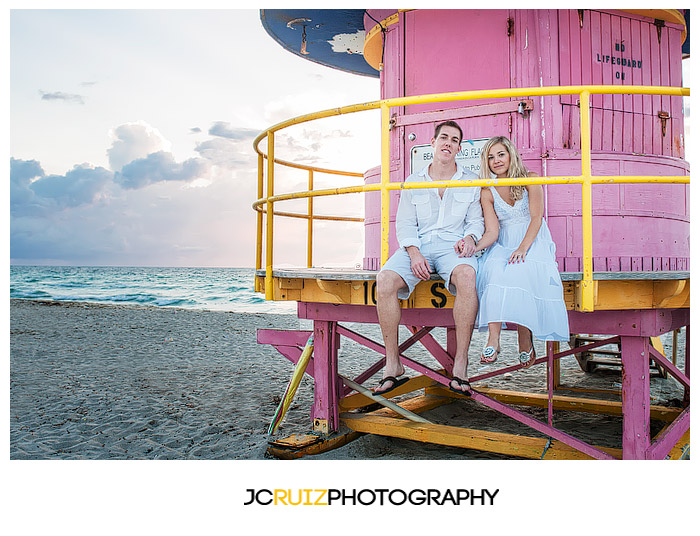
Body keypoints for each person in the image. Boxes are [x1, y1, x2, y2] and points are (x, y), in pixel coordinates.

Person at [374, 120, 484, 396]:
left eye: (454, 139)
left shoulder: (471, 181)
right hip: (419, 246)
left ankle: (460, 363)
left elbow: (476, 221)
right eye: (443, 137)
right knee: (384, 280)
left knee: (468, 276)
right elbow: (405, 225)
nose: (448, 143)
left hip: (452, 247)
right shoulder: (414, 181)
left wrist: (470, 238)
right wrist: (413, 253)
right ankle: (393, 364)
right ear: (433, 143)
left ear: (459, 147)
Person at [456, 135, 569, 367]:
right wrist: (474, 247)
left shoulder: (530, 179)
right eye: (490, 157)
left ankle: (524, 339)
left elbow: (537, 217)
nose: (496, 160)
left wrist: (523, 247)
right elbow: (493, 232)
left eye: (500, 154)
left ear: (510, 155)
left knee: (521, 270)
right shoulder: (488, 191)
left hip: (531, 238)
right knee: (494, 270)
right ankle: (493, 340)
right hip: (504, 241)